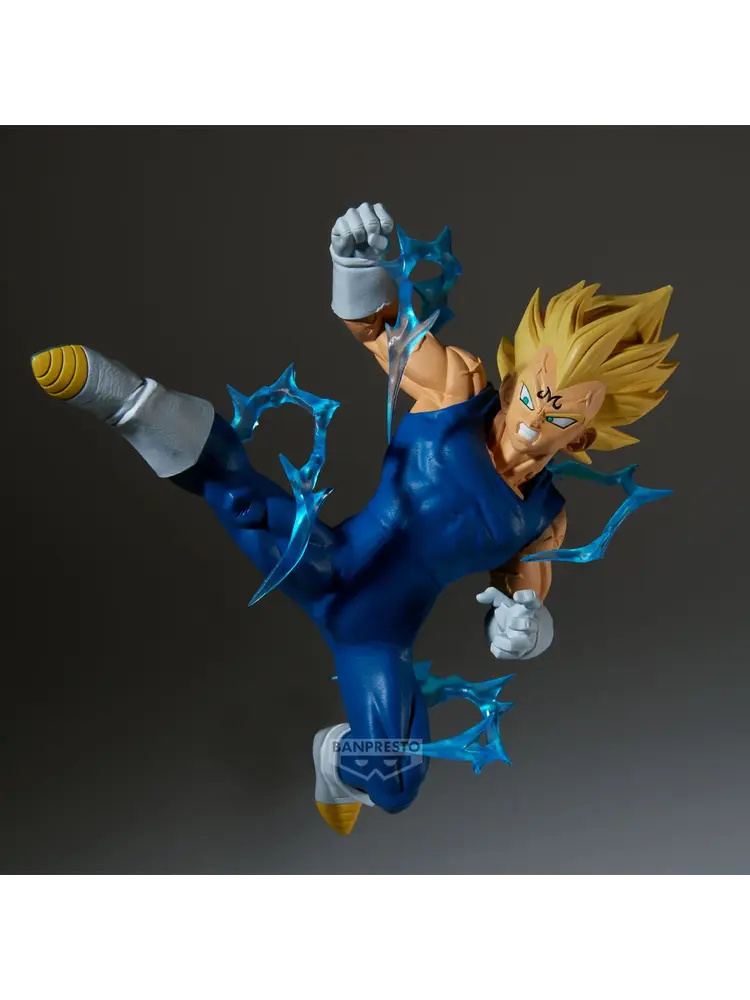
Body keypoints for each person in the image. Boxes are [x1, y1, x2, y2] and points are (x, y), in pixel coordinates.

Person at [30, 202, 678, 835]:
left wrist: (524, 630)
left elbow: (521, 609)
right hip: (325, 561)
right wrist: (356, 266)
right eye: (533, 394)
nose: (533, 420)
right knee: (240, 496)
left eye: (559, 415)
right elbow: (377, 330)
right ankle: (129, 402)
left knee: (394, 784)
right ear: (513, 379)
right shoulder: (455, 390)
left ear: (583, 438)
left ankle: (335, 762)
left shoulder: (542, 518)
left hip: (380, 637)